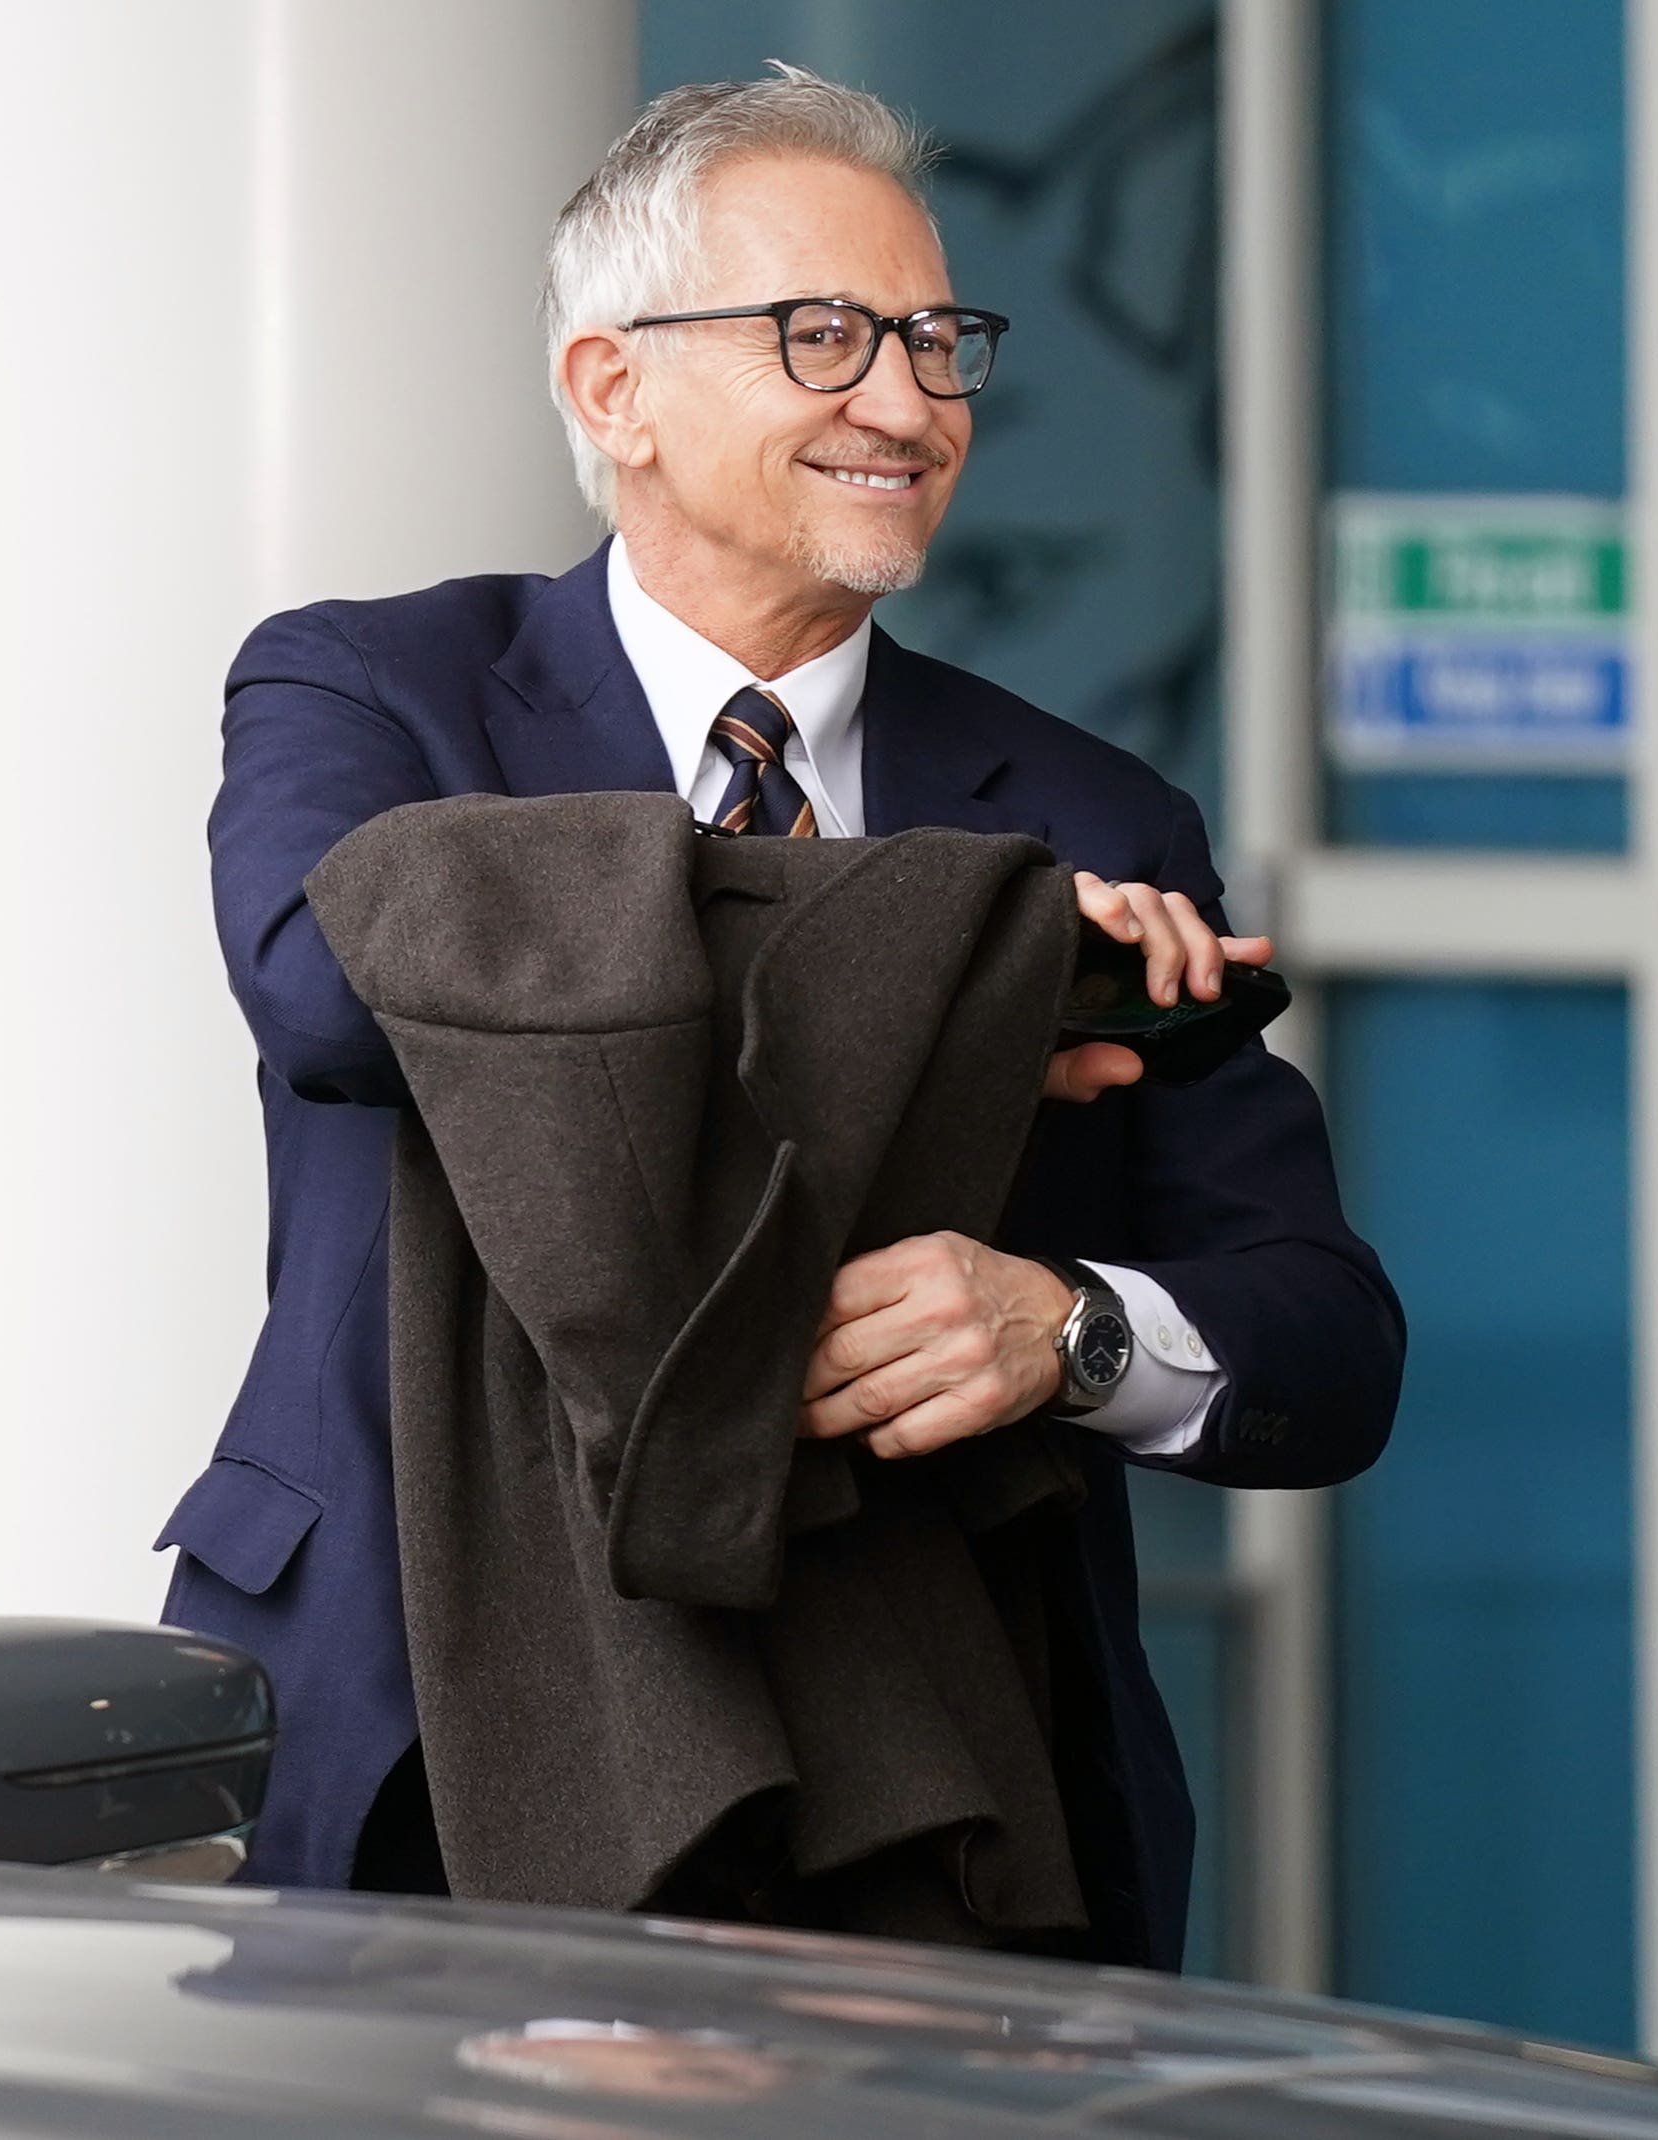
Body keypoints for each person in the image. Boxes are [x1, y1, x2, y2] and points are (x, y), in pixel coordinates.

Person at [166, 68, 1404, 1969]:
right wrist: (953, 952)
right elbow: (342, 1003)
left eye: (936, 339)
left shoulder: (1085, 817)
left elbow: (1329, 1348)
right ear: (613, 391)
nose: (907, 405)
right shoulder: (375, 690)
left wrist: (1062, 1331)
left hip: (927, 1791)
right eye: (821, 337)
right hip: (415, 1734)